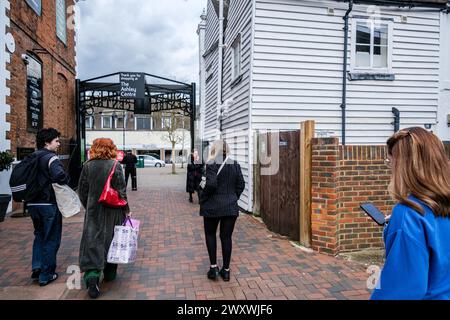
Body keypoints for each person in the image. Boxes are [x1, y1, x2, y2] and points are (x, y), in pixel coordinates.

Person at [371, 127, 450, 300]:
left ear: (403, 166)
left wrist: (403, 223)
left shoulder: (409, 215)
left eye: (389, 162)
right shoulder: (436, 206)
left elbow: (400, 292)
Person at [78, 138, 131, 299]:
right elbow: (121, 191)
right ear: (111, 149)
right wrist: (126, 210)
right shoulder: (115, 165)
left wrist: (90, 206)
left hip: (94, 211)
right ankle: (110, 274)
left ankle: (92, 277)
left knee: (92, 241)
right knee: (111, 240)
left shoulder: (87, 166)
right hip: (113, 211)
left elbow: (82, 191)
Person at [27, 128, 69, 287]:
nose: (59, 143)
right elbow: (59, 176)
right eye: (56, 141)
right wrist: (66, 178)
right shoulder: (51, 158)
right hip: (48, 203)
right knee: (51, 238)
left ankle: (37, 267)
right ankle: (47, 274)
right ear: (47, 142)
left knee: (39, 235)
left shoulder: (32, 157)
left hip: (32, 204)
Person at [199, 140, 245, 282]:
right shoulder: (235, 164)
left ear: (214, 149)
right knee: (226, 237)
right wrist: (233, 198)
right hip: (230, 207)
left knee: (210, 234)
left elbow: (211, 184)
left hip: (212, 206)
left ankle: (213, 268)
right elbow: (241, 184)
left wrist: (203, 198)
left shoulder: (212, 163)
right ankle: (226, 271)